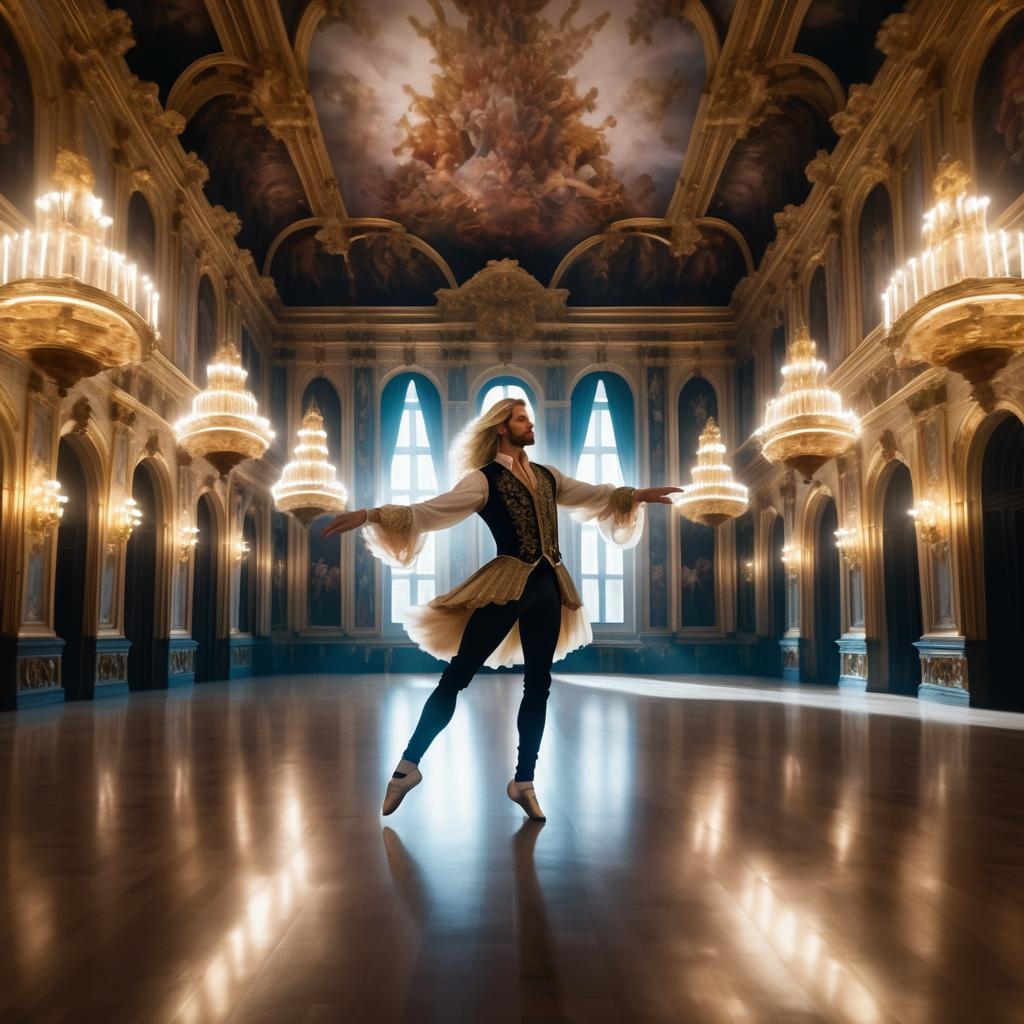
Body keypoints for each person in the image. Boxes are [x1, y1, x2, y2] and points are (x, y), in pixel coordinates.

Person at [322, 398, 679, 820]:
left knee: (539, 683)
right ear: (501, 428)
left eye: (529, 418)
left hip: (550, 585)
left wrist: (638, 494)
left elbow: (593, 494)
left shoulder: (548, 476)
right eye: (522, 419)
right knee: (457, 675)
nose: (531, 425)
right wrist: (370, 514)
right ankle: (406, 769)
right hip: (508, 584)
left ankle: (523, 781)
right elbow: (431, 512)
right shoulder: (483, 480)